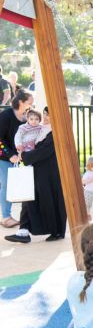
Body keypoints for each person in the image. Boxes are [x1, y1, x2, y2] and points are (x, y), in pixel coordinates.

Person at [4, 107, 67, 243]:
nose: (45, 117)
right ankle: (23, 231)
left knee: (49, 202)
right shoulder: (41, 129)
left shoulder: (56, 132)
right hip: (37, 171)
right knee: (28, 199)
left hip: (49, 174)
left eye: (48, 115)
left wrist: (25, 156)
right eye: (44, 114)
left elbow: (44, 151)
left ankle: (56, 231)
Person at [0, 90, 34, 228]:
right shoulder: (5, 116)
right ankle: (5, 217)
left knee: (21, 185)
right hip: (4, 157)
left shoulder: (27, 117)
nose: (31, 106)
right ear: (20, 102)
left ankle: (25, 216)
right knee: (6, 185)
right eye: (29, 103)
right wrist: (10, 155)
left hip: (20, 158)